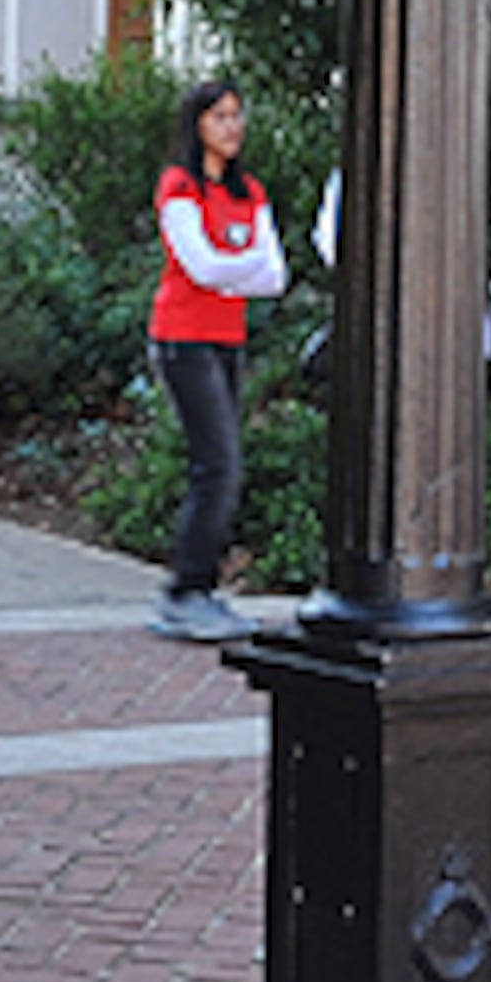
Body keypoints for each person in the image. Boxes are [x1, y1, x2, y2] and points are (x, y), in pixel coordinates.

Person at [147, 77, 287, 642]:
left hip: (227, 337)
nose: (233, 126)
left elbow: (275, 276)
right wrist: (242, 264)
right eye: (220, 116)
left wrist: (235, 268)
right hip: (182, 338)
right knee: (219, 465)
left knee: (223, 467)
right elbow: (200, 267)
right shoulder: (178, 186)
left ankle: (197, 589)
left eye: (237, 115)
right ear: (197, 125)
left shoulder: (247, 190)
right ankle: (185, 592)